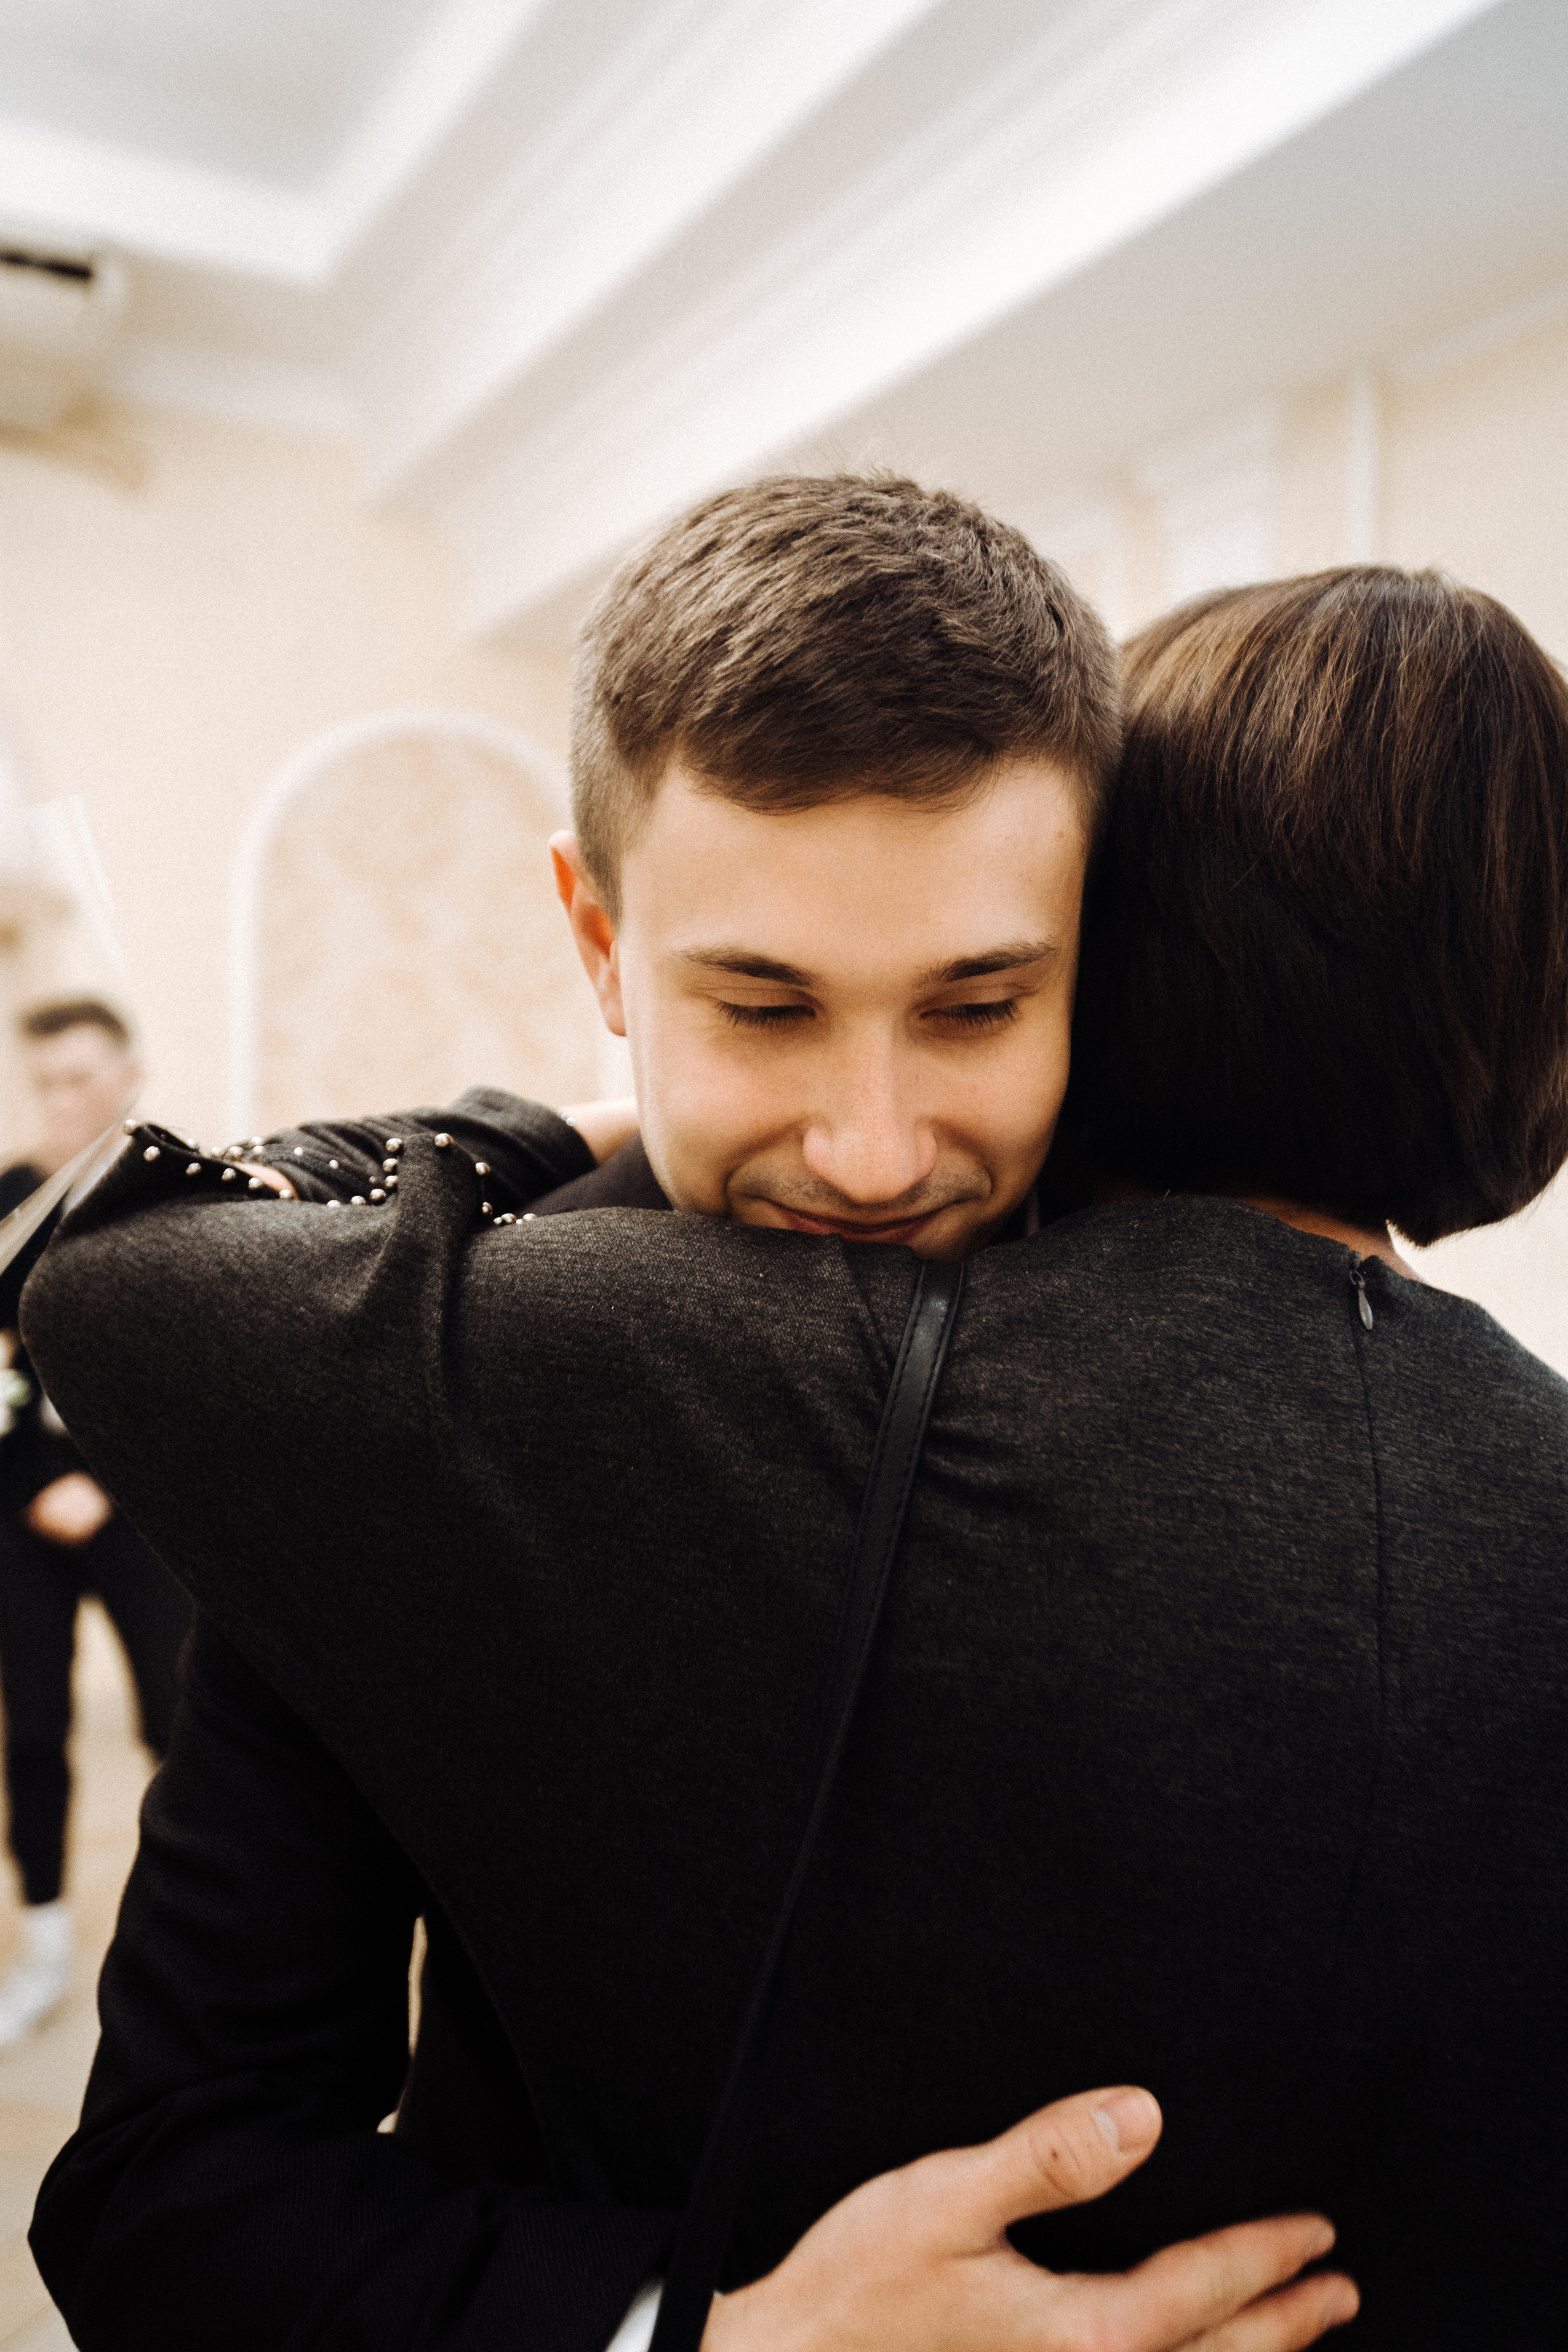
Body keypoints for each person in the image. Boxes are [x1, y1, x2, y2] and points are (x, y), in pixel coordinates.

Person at [26, 506, 1568, 2338]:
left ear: (1107, 959)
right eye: (760, 1007)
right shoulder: (401, 1388)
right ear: (600, 944)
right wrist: (709, 2332)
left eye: (979, 1004)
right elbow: (168, 2192)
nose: (872, 1151)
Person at [0, 997, 191, 2046]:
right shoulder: (7, 1203)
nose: (62, 1102)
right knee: (33, 1728)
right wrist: (37, 1479)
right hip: (21, 1503)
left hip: (136, 1510)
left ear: (129, 1075)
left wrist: (106, 1485)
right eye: (46, 1083)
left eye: (80, 1078)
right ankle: (42, 1940)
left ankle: (185, 1947)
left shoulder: (170, 1200)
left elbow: (190, 1381)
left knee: (178, 1723)